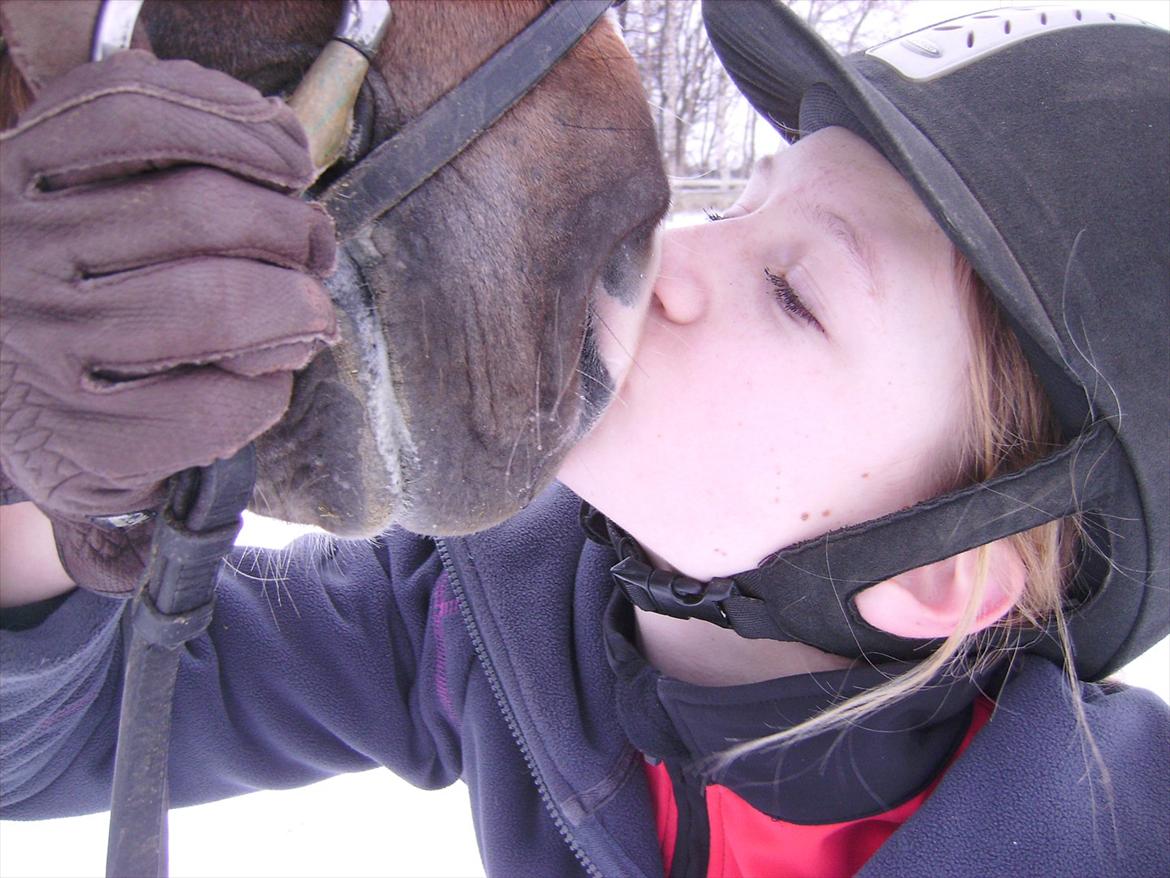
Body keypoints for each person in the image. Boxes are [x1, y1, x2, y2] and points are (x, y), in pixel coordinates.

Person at [2, 1, 1167, 876]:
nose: (677, 257)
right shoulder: (486, 614)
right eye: (744, 204)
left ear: (939, 567)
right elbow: (54, 743)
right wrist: (52, 474)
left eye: (794, 291)